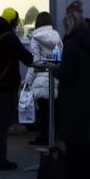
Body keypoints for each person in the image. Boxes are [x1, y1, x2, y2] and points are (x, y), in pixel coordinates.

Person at [56, 1, 90, 179]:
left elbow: (66, 73)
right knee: (89, 144)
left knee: (74, 146)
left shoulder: (72, 44)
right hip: (89, 96)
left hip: (73, 100)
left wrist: (55, 71)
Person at [0, 16, 33, 171]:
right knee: (2, 125)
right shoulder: (9, 38)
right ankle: (0, 159)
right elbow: (27, 58)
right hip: (7, 86)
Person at [24, 11, 62, 146]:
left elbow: (34, 62)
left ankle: (44, 137)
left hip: (41, 79)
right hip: (55, 78)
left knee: (43, 112)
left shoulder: (35, 38)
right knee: (54, 110)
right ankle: (53, 136)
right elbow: (60, 58)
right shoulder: (57, 36)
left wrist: (27, 82)